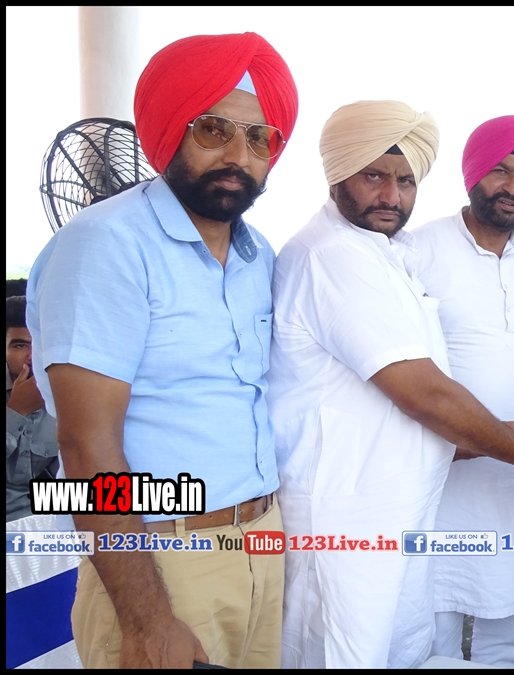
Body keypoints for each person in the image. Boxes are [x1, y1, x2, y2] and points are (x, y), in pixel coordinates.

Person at [268, 101, 514, 670]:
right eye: (374, 176)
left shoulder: (380, 251)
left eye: (406, 180)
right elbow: (422, 391)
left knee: (427, 643)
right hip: (354, 512)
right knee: (353, 650)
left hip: (420, 489)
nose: (391, 196)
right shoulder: (341, 255)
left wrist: (501, 442)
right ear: (338, 172)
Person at [26, 33, 298, 668]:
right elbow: (86, 444)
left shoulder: (258, 254)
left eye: (260, 138)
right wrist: (147, 621)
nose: (238, 155)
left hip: (260, 544)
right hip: (162, 560)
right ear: (172, 130)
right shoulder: (107, 244)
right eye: (214, 129)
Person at [409, 115, 514, 668]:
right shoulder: (418, 248)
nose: (513, 187)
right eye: (501, 170)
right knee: (435, 633)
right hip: (443, 476)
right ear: (473, 173)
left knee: (507, 629)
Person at [6, 295, 59, 522]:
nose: (32, 357)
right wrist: (17, 411)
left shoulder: (65, 392)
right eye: (20, 345)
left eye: (40, 344)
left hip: (43, 518)